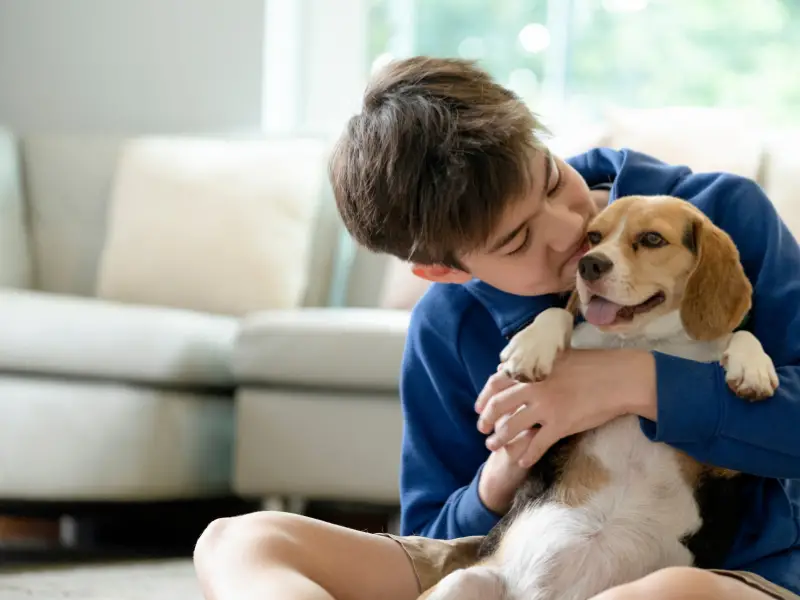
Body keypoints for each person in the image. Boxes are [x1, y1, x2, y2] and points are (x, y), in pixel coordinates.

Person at [193, 57, 800, 600]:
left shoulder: (720, 213)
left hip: (722, 570)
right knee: (234, 540)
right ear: (443, 269)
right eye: (516, 241)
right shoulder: (445, 326)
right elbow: (429, 538)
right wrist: (500, 473)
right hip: (510, 562)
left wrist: (634, 382)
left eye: (554, 181)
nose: (568, 232)